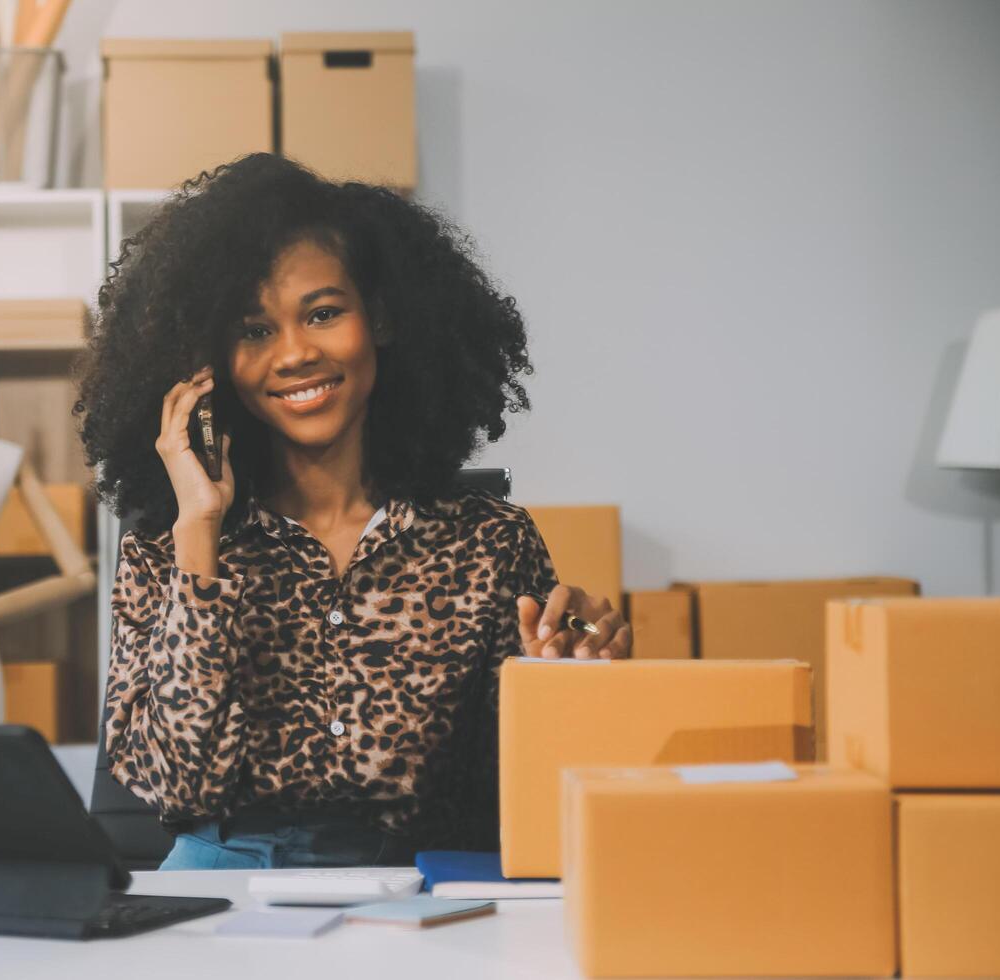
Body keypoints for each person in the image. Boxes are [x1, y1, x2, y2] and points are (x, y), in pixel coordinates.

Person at [74, 153, 632, 871]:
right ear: (209, 364)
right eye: (254, 330)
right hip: (224, 883)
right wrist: (199, 532)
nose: (295, 354)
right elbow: (178, 788)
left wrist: (577, 667)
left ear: (383, 319)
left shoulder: (490, 541)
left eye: (323, 313)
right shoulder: (168, 548)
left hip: (418, 878)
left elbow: (520, 783)